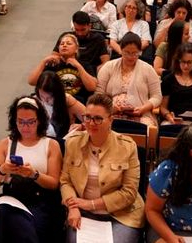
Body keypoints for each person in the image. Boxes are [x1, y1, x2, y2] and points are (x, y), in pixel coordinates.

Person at [61, 93, 145, 242]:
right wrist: (73, 207)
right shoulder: (72, 143)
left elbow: (129, 192)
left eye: (98, 118)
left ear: (110, 120)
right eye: (87, 117)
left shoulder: (127, 147)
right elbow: (65, 181)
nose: (91, 123)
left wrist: (90, 204)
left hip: (121, 215)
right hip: (82, 212)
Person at [0, 96, 64, 243]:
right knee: (5, 212)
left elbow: (53, 183)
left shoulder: (51, 145)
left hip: (39, 200)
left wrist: (34, 174)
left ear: (39, 120)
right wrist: (3, 169)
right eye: (20, 122)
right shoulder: (6, 144)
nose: (25, 127)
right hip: (12, 197)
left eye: (30, 122)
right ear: (14, 121)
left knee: (14, 225)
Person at [97, 33, 162, 126]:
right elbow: (99, 93)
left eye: (135, 53)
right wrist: (111, 107)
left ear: (140, 51)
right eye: (127, 52)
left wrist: (143, 108)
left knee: (147, 128)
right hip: (111, 113)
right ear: (121, 50)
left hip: (141, 114)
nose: (130, 56)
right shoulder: (108, 66)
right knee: (102, 125)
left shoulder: (148, 69)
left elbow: (157, 96)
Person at [30, 33, 97, 103]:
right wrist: (43, 62)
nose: (64, 45)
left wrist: (79, 67)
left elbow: (92, 88)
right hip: (54, 100)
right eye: (62, 44)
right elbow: (32, 82)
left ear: (76, 49)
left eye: (69, 43)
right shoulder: (52, 65)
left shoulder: (84, 65)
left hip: (77, 101)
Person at [53, 11, 110, 76]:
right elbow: (54, 56)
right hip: (68, 71)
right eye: (77, 30)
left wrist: (98, 70)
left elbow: (106, 62)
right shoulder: (66, 37)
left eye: (83, 30)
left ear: (89, 26)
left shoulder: (98, 39)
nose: (80, 33)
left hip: (90, 72)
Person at [34, 71, 84, 138]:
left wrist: (81, 126)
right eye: (42, 96)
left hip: (62, 142)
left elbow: (91, 118)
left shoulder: (67, 100)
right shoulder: (34, 101)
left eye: (50, 97)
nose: (45, 101)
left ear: (57, 94)